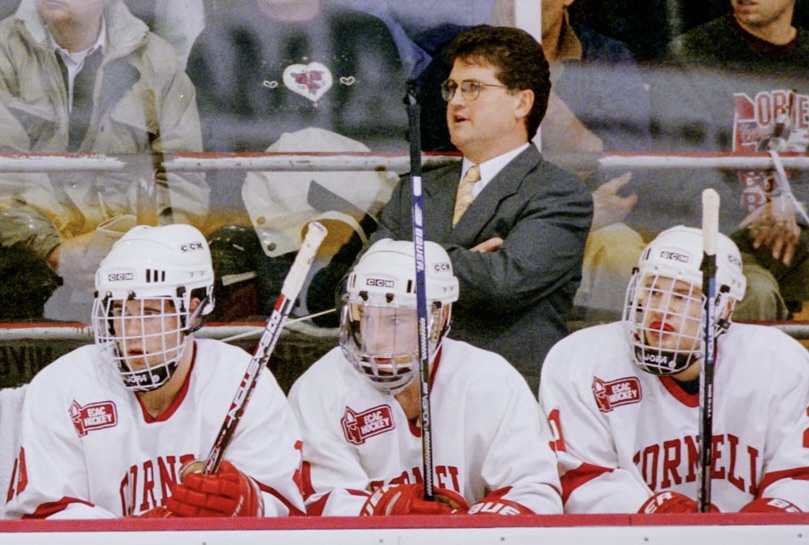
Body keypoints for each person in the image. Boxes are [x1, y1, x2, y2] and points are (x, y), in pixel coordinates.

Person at [4, 224, 305, 518]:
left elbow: (290, 513)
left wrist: (249, 502)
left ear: (192, 310)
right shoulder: (64, 385)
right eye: (120, 311)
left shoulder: (240, 378)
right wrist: (140, 535)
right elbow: (43, 517)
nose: (131, 331)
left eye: (150, 313)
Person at [366, 25, 593, 393]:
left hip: (506, 394)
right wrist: (461, 263)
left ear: (522, 102)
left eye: (473, 87)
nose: (455, 100)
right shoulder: (417, 188)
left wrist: (405, 261)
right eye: (452, 87)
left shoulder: (559, 194)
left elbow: (503, 284)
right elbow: (359, 279)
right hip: (407, 391)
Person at [540, 225, 809, 513]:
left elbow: (799, 475)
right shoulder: (583, 361)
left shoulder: (777, 360)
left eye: (682, 296)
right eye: (653, 291)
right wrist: (667, 519)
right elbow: (584, 480)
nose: (660, 309)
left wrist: (756, 529)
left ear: (725, 307)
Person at [288, 239, 563, 516]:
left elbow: (535, 492)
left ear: (441, 316)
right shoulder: (320, 388)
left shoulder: (490, 380)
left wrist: (465, 534)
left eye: (396, 321)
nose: (377, 339)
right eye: (367, 317)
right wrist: (389, 512)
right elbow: (319, 505)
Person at [0, 0, 209, 320]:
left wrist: (138, 251)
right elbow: (5, 175)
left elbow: (184, 181)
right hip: (24, 260)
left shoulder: (156, 60)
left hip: (132, 263)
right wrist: (51, 249)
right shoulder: (4, 53)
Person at [647, 0, 809, 320]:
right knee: (755, 294)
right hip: (715, 235)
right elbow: (682, 172)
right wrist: (759, 211)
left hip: (798, 230)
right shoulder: (692, 54)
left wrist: (795, 204)